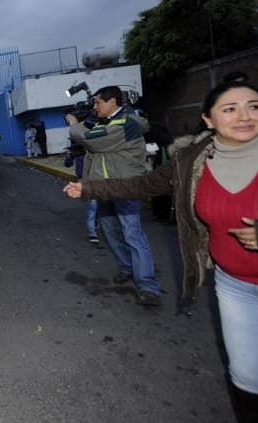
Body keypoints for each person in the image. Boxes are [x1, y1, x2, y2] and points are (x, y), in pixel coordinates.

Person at [63, 81, 258, 423]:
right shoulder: (193, 161)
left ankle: (146, 283)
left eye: (254, 106)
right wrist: (87, 188)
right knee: (247, 380)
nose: (244, 116)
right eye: (230, 109)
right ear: (209, 119)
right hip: (235, 288)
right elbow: (144, 184)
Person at [65, 85, 163, 306]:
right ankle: (127, 268)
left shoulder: (127, 123)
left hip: (125, 187)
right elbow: (94, 155)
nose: (94, 106)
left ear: (113, 102)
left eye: (98, 101)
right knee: (110, 232)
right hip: (104, 189)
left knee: (132, 234)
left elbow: (93, 140)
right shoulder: (105, 123)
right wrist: (87, 185)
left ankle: (147, 285)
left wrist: (74, 125)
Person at [63, 147, 99, 245]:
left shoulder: (92, 147)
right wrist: (69, 155)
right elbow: (67, 164)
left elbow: (67, 164)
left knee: (94, 206)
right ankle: (92, 231)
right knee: (93, 206)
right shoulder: (80, 149)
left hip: (94, 179)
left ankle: (93, 228)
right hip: (87, 180)